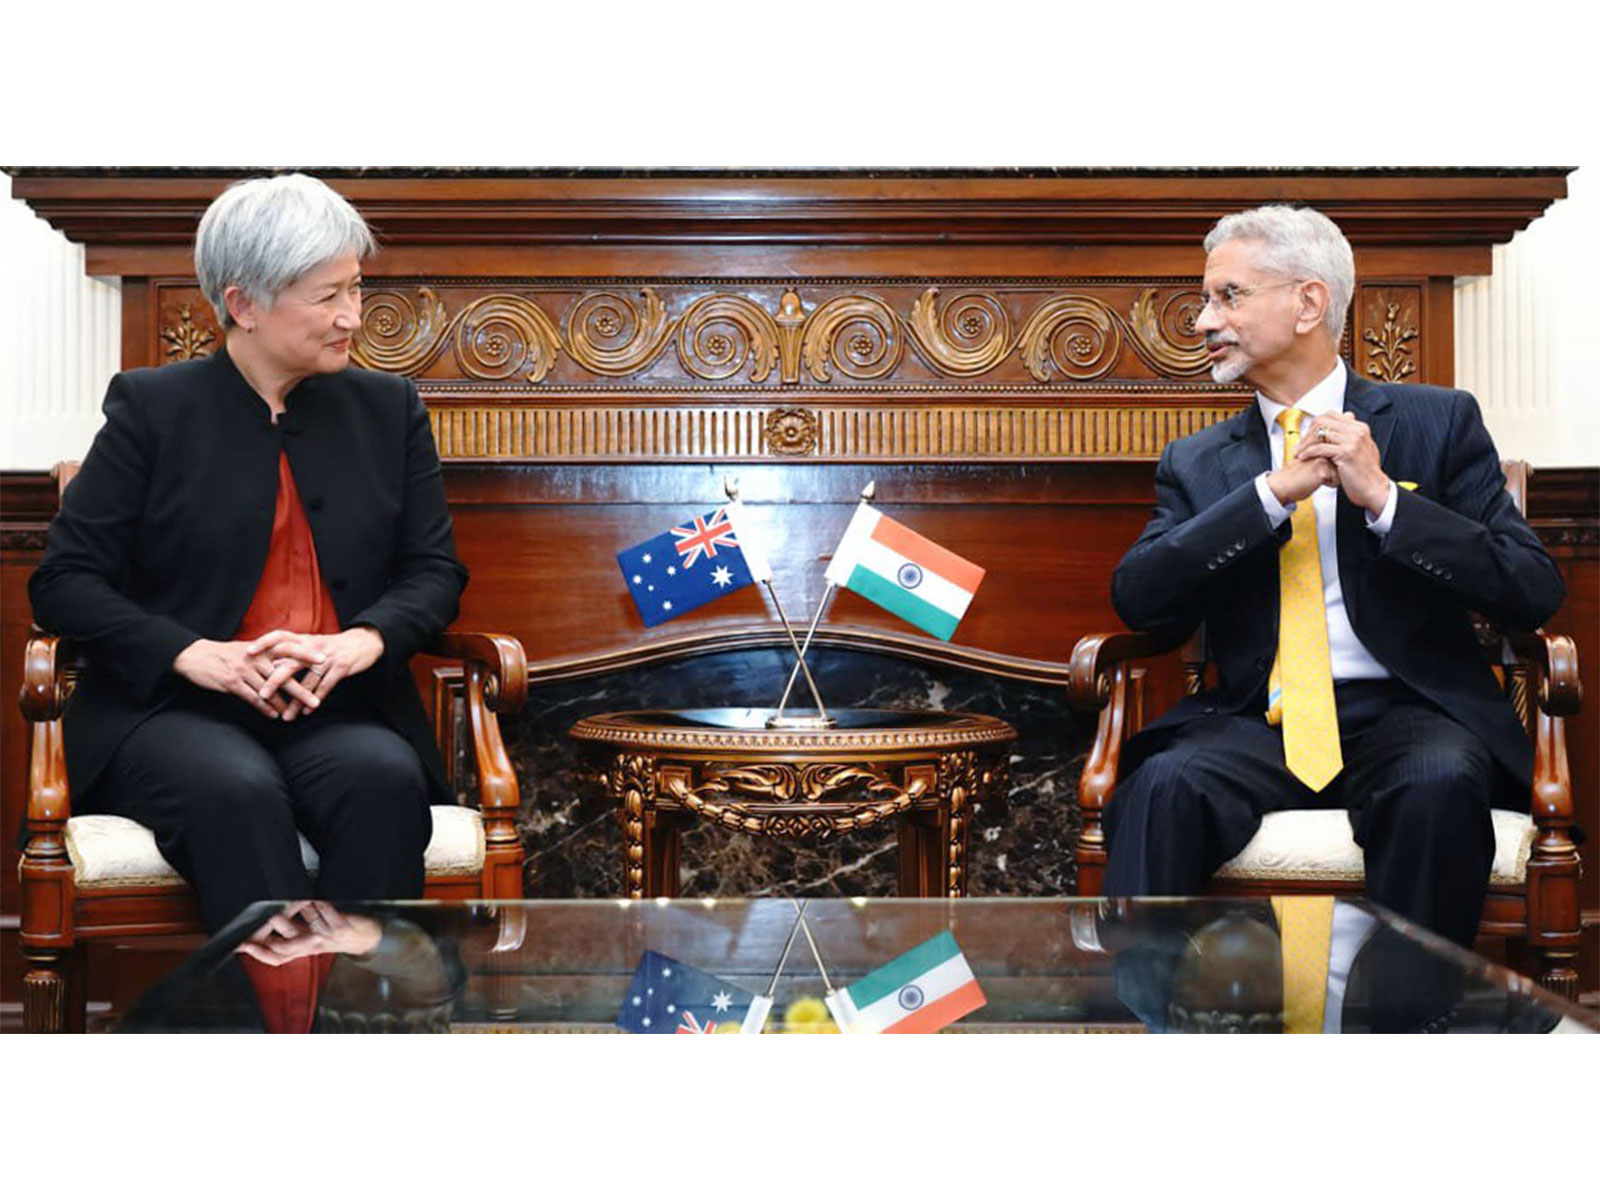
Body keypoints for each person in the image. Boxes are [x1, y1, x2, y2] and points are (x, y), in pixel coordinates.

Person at [1102, 204, 1565, 948]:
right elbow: (1141, 601)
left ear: (1308, 303)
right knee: (1161, 787)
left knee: (1438, 785)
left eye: (1229, 296)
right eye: (1207, 298)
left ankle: (1408, 1015)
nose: (1204, 321)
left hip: (1411, 711)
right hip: (1257, 719)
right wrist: (1266, 497)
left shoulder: (1438, 422)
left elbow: (1531, 586)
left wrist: (1384, 500)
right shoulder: (1197, 460)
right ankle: (1138, 1010)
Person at [29, 172, 468, 938]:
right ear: (244, 304)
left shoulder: (387, 409)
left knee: (382, 782)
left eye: (355, 288)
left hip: (336, 709)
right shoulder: (153, 409)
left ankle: (362, 1005)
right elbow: (63, 582)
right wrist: (193, 654)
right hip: (173, 713)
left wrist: (362, 642)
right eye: (327, 296)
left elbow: (434, 571)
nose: (352, 315)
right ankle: (274, 1009)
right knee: (234, 791)